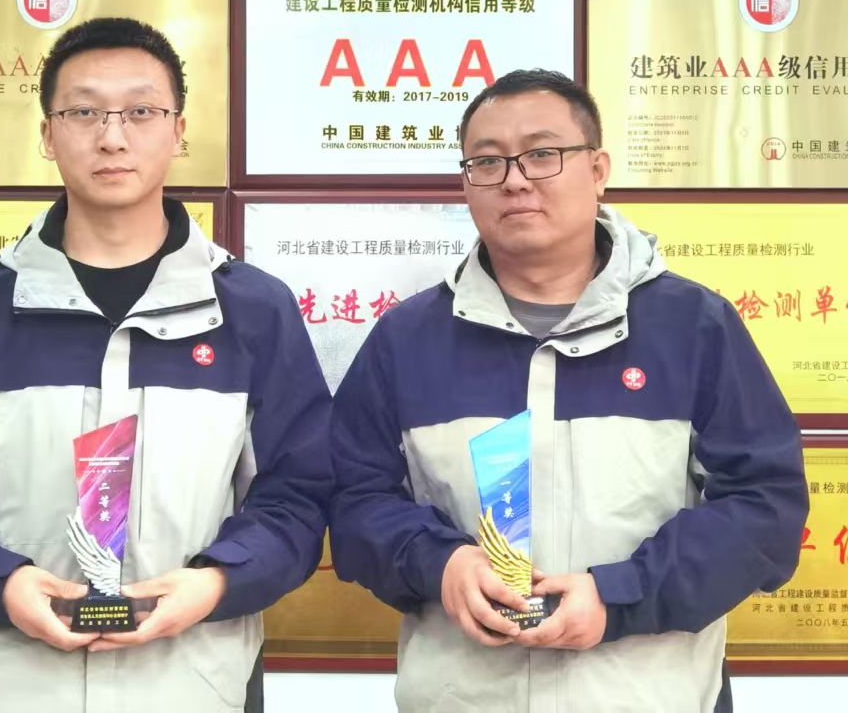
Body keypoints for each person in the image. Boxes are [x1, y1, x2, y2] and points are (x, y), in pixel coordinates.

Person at [0, 17, 331, 713]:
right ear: (47, 135)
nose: (112, 137)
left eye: (140, 111)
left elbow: (301, 494)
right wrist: (0, 584)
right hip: (8, 691)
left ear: (179, 130)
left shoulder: (253, 311)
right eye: (83, 113)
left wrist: (215, 582)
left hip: (194, 687)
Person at [328, 68, 807, 712]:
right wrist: (442, 566)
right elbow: (355, 500)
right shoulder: (407, 339)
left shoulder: (695, 327)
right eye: (487, 162)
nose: (515, 179)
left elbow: (766, 507)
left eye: (542, 154)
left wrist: (618, 597)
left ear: (598, 169)